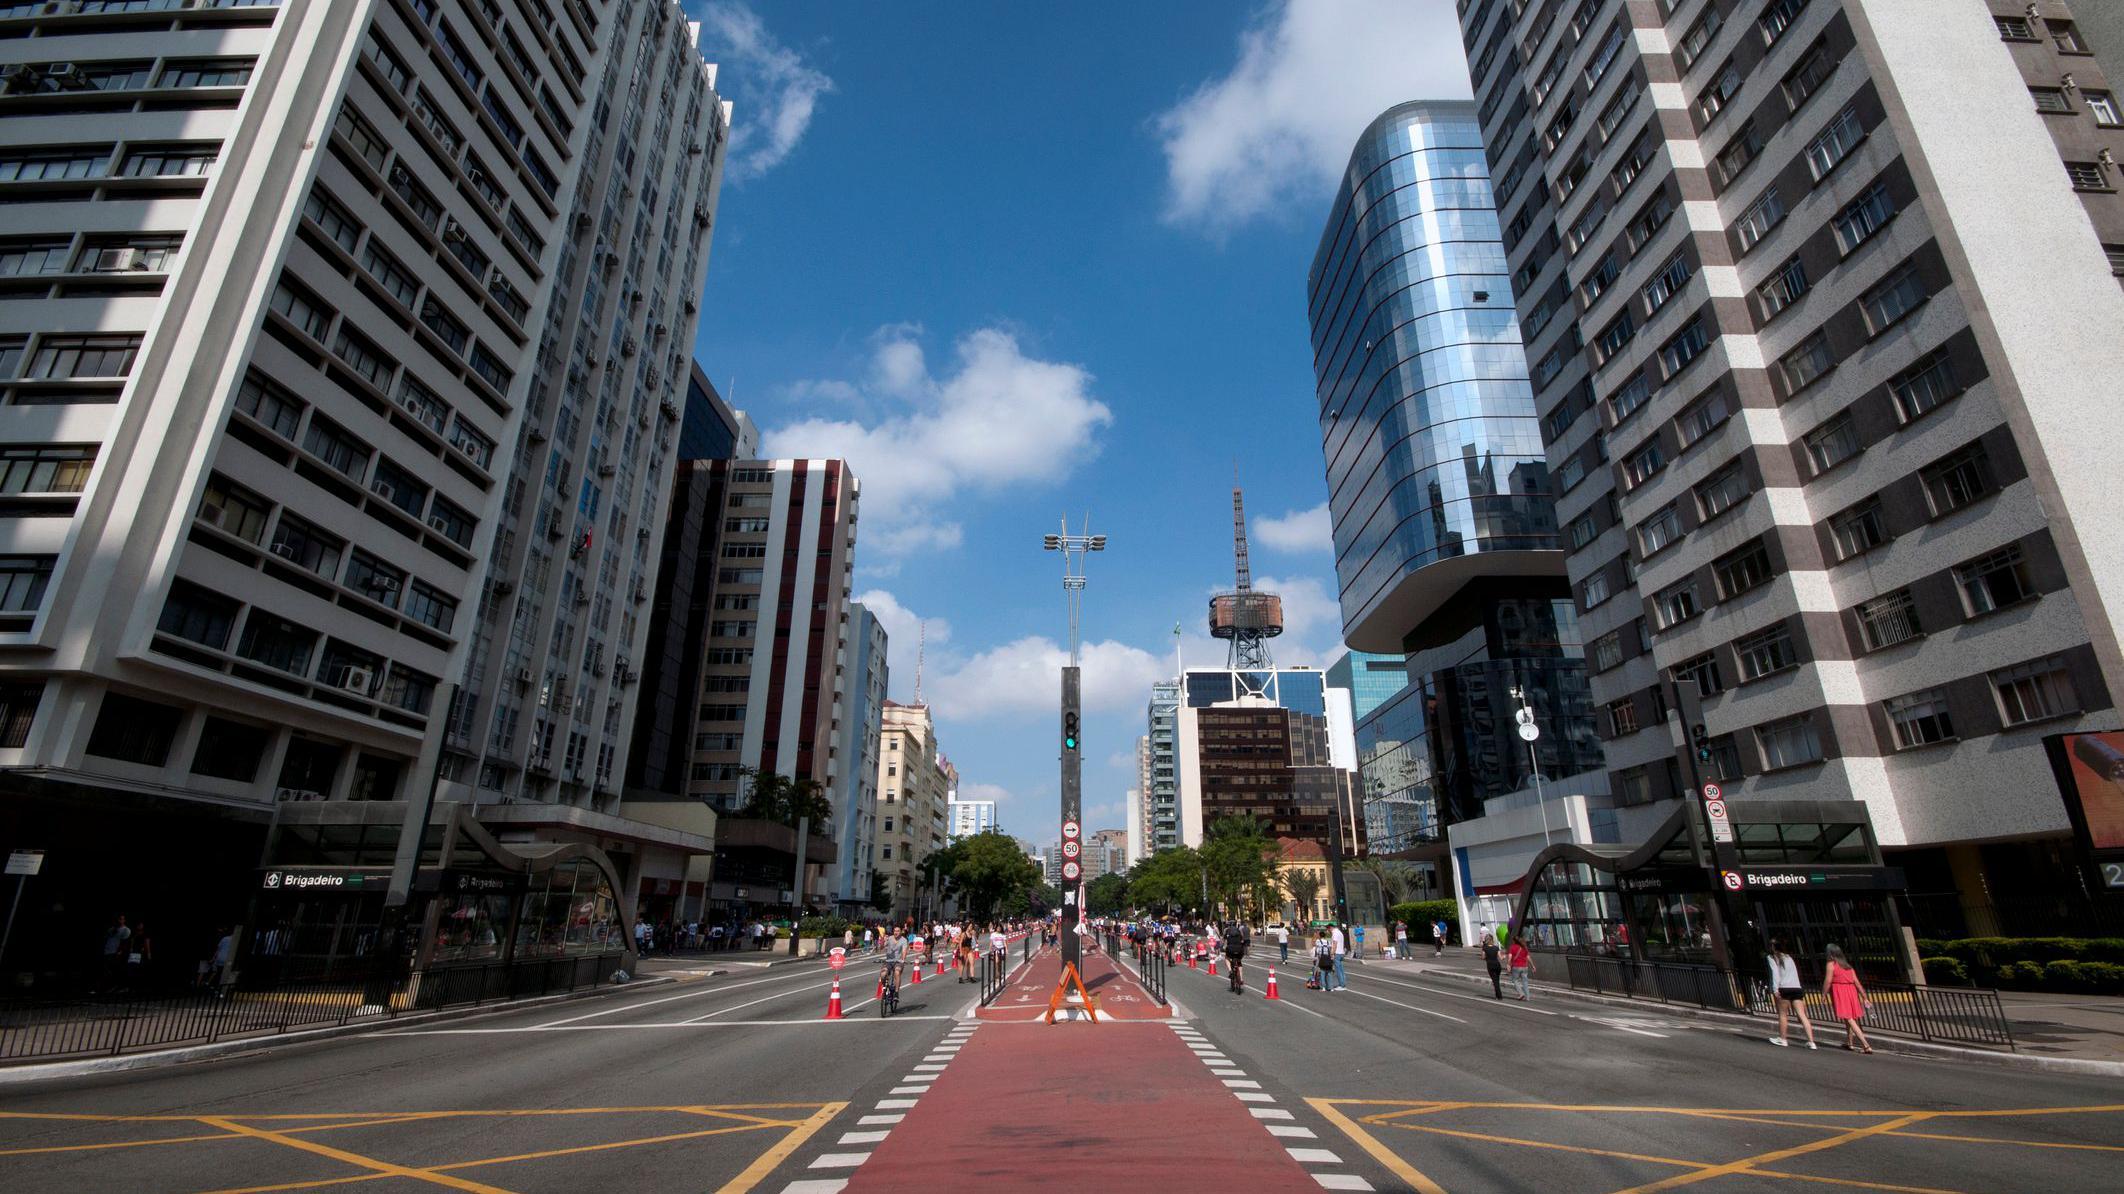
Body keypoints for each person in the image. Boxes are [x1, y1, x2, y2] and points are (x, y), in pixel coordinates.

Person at [1766, 938, 1818, 1049]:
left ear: (1772, 947)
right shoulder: (1788, 957)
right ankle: (1811, 1041)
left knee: (1783, 1014)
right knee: (1802, 1015)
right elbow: (1794, 972)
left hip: (1784, 988)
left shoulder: (1772, 957)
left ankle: (1783, 1039)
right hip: (1796, 987)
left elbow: (1775, 973)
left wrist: (1775, 989)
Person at [1824, 944, 1874, 1054]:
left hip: (1840, 990)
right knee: (1850, 1018)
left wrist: (1824, 994)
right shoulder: (1847, 966)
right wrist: (1864, 997)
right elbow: (1857, 982)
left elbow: (1828, 981)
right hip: (1851, 991)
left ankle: (1866, 1045)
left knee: (1849, 1019)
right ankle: (1850, 1043)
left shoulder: (1831, 964)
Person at [879, 927, 906, 1009]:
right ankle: (885, 989)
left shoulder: (904, 940)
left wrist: (903, 960)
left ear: (900, 932)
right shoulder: (889, 938)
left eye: (898, 931)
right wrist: (883, 940)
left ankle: (896, 992)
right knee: (883, 974)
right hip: (888, 961)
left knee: (897, 972)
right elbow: (881, 948)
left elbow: (904, 951)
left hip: (898, 962)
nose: (896, 932)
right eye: (895, 931)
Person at [1222, 920, 1249, 993]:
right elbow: (1243, 940)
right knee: (1239, 962)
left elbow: (1223, 941)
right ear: (1236, 924)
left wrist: (1223, 946)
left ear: (1229, 925)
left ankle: (1230, 971)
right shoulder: (1239, 931)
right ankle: (1241, 979)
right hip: (1239, 949)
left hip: (1230, 949)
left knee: (1227, 958)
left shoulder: (1227, 931)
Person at [1506, 936, 1534, 1000]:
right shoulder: (1524, 947)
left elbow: (1510, 957)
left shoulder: (1512, 947)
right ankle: (1528, 997)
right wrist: (1532, 966)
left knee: (1515, 980)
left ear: (1514, 941)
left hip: (1516, 966)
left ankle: (1521, 994)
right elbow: (1528, 957)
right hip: (1525, 967)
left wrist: (1508, 964)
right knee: (1525, 981)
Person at [1482, 934, 1504, 999]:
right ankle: (1497, 995)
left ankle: (1499, 996)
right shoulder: (1496, 947)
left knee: (1495, 981)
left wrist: (1487, 956)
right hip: (1497, 965)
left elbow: (1483, 957)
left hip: (1490, 965)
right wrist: (1504, 956)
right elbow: (1501, 958)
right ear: (1492, 940)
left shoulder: (1485, 948)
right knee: (1497, 980)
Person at [1330, 922, 1350, 991]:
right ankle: (1343, 984)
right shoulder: (1340, 933)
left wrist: (1332, 953)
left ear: (1331, 927)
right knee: (1341, 970)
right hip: (1341, 952)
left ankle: (1341, 985)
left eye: (1328, 928)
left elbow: (1335, 943)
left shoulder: (1335, 933)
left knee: (1338, 970)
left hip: (1337, 953)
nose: (1328, 930)